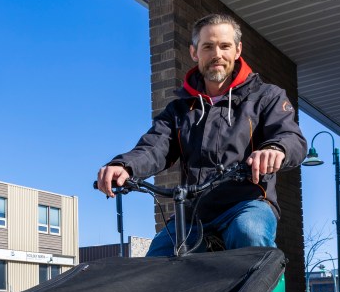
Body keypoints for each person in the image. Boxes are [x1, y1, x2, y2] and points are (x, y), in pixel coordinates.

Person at [96, 13, 307, 255]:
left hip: (247, 204)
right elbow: (155, 147)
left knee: (248, 232)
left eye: (225, 46)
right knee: (158, 258)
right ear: (194, 52)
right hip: (194, 212)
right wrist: (125, 166)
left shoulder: (266, 96)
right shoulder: (179, 109)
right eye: (208, 46)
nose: (217, 54)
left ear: (238, 50)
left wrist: (276, 149)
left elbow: (291, 137)